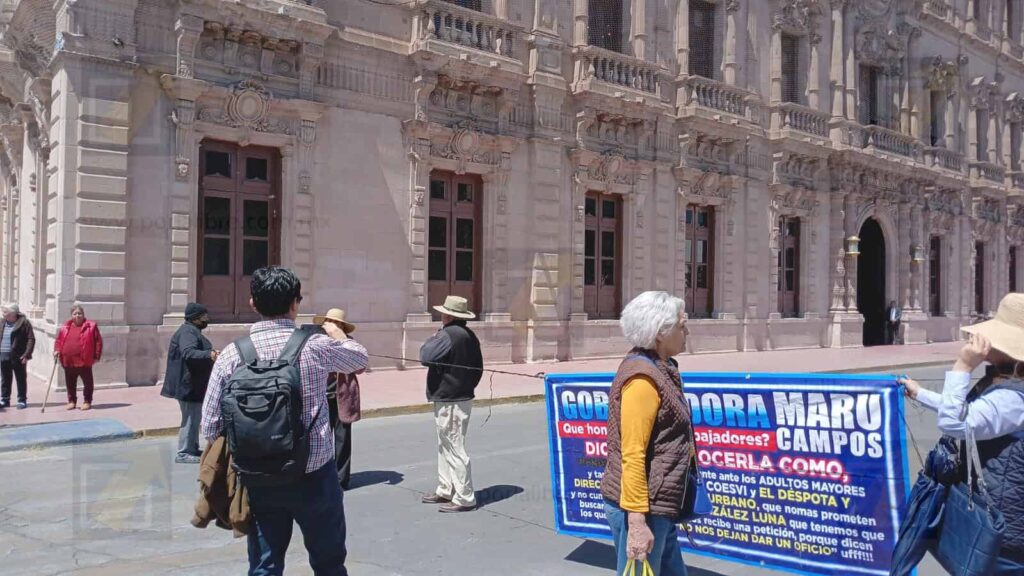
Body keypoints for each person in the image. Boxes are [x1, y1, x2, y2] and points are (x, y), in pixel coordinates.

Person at [201, 267, 368, 576]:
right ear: (296, 303)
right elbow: (359, 358)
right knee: (329, 563)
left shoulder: (232, 354)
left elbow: (209, 426)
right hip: (314, 473)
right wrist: (335, 331)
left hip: (259, 476)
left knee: (264, 565)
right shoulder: (314, 346)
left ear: (252, 303)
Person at [901, 292, 1024, 574]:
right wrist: (921, 393)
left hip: (1005, 535)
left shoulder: (1014, 398)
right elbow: (970, 412)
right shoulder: (1009, 385)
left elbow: (956, 423)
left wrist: (964, 365)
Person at [602, 291, 691, 576]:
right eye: (681, 324)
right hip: (643, 509)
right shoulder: (642, 379)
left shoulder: (662, 368)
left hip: (659, 506)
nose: (686, 331)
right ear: (660, 333)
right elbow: (633, 453)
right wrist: (638, 524)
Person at [418, 295, 483, 513]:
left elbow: (426, 356)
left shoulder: (447, 335)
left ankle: (465, 497)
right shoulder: (470, 336)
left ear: (448, 315)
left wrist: (431, 339)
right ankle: (445, 488)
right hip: (460, 396)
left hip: (451, 399)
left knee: (454, 446)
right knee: (445, 444)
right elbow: (478, 369)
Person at [314, 308, 364, 490]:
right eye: (329, 321)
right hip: (322, 396)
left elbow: (360, 368)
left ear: (342, 326)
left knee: (342, 440)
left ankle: (341, 479)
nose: (331, 325)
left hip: (343, 396)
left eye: (335, 322)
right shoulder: (319, 342)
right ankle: (323, 476)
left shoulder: (349, 344)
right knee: (322, 439)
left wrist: (341, 341)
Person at [161, 303, 218, 464]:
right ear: (196, 318)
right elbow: (189, 352)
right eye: (204, 317)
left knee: (194, 417)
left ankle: (192, 448)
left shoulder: (191, 331)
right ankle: (184, 452)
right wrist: (210, 354)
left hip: (192, 384)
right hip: (188, 385)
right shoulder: (188, 332)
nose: (207, 319)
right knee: (190, 417)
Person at [53, 305, 103, 410]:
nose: (77, 316)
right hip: (68, 360)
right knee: (70, 383)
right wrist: (57, 350)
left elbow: (98, 341)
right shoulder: (65, 327)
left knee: (88, 383)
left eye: (79, 313)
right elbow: (58, 340)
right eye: (75, 314)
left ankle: (87, 401)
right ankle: (72, 401)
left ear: (83, 315)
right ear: (71, 315)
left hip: (84, 361)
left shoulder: (91, 326)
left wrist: (96, 356)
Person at [0, 303, 34, 409]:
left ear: (13, 313)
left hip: (18, 356)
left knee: (20, 378)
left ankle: (22, 400)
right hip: (3, 355)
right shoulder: (2, 322)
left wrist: (26, 355)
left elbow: (31, 339)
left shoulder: (24, 323)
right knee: (5, 378)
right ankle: (5, 400)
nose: (4, 314)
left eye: (6, 312)